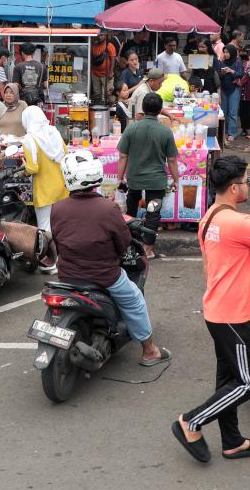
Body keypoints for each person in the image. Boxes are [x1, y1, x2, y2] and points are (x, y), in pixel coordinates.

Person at [174, 156, 250, 464]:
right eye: (245, 182)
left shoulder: (210, 217)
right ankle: (191, 421)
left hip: (219, 310)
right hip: (235, 316)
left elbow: (208, 265)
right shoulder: (238, 223)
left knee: (228, 381)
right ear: (232, 187)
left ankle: (233, 441)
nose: (248, 186)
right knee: (249, 381)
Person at [51, 150, 170, 365]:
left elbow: (58, 240)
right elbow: (124, 243)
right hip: (105, 277)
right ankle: (150, 351)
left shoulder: (57, 208)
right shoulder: (108, 208)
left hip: (67, 277)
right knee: (135, 301)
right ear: (96, 174)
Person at [117, 92, 181, 236]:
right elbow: (171, 160)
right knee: (153, 213)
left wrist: (119, 179)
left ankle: (130, 243)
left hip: (134, 179)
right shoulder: (166, 132)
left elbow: (122, 156)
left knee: (131, 210)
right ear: (160, 111)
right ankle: (148, 249)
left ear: (143, 109)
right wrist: (176, 180)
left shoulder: (131, 128)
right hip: (156, 181)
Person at [20, 105, 68, 242]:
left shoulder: (29, 139)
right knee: (61, 224)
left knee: (44, 227)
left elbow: (33, 168)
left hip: (44, 190)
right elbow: (66, 154)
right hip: (61, 187)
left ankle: (49, 261)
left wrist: (24, 168)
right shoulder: (54, 132)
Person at [217, 45, 245, 143]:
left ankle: (232, 133)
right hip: (224, 89)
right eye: (224, 52)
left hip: (234, 89)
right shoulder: (222, 62)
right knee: (224, 112)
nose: (226, 54)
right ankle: (224, 131)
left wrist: (231, 71)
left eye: (227, 52)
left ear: (232, 52)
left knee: (233, 113)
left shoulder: (237, 62)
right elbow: (218, 76)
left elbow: (241, 74)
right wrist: (222, 73)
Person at [90, 32, 119, 105]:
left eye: (101, 35)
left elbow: (113, 59)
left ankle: (107, 110)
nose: (99, 37)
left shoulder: (109, 45)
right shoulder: (94, 45)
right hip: (95, 73)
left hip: (106, 74)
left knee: (107, 94)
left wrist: (111, 72)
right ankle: (97, 108)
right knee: (97, 93)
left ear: (105, 36)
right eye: (99, 35)